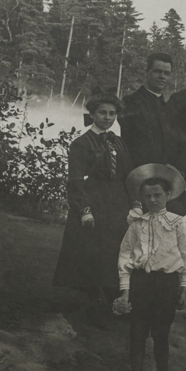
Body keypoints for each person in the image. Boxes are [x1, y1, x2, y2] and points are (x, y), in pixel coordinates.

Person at [53, 92, 132, 329]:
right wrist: (84, 210)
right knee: (92, 251)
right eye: (103, 113)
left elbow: (128, 174)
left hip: (117, 202)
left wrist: (135, 203)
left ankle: (114, 300)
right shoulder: (81, 143)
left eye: (112, 113)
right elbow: (75, 181)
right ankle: (93, 302)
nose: (108, 118)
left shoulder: (118, 141)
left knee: (115, 249)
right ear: (92, 114)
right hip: (94, 200)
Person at [118, 164, 186, 371]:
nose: (152, 200)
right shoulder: (136, 223)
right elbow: (125, 255)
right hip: (141, 283)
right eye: (148, 196)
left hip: (167, 284)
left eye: (157, 195)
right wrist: (125, 290)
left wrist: (184, 286)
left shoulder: (178, 223)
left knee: (161, 335)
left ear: (168, 196)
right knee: (138, 334)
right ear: (141, 197)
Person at [118, 52, 177, 167]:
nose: (162, 76)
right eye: (157, 71)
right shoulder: (131, 102)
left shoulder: (169, 107)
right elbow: (130, 144)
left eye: (167, 73)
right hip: (140, 173)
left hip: (167, 174)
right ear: (146, 73)